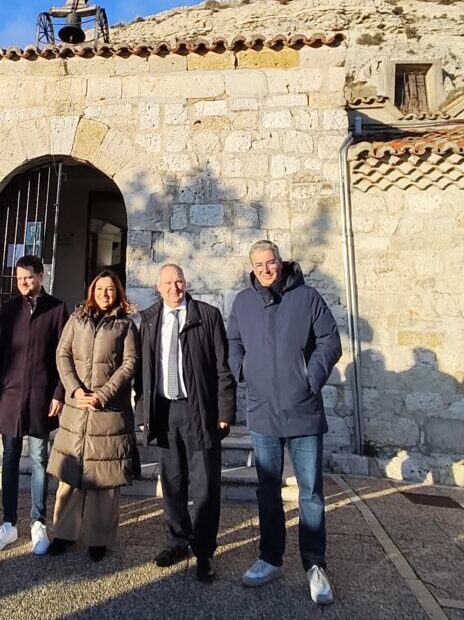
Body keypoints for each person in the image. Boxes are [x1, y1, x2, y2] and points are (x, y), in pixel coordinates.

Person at [227, 240, 342, 604]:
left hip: (303, 410)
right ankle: (270, 557)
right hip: (263, 413)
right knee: (268, 491)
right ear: (252, 268)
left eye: (271, 262)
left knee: (310, 492)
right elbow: (233, 342)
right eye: (259, 264)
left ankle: (315, 564)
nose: (265, 269)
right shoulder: (243, 302)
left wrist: (311, 377)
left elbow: (330, 340)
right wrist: (242, 369)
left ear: (281, 262)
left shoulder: (307, 298)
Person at [136, 263, 236, 582]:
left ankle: (204, 552)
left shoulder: (207, 315)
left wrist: (224, 412)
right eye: (167, 283)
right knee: (173, 483)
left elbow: (223, 367)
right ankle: (177, 541)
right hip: (165, 413)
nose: (174, 288)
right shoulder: (149, 319)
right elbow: (143, 373)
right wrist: (143, 412)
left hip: (199, 412)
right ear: (158, 287)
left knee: (205, 485)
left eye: (178, 282)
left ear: (185, 282)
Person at [46, 270, 140, 561]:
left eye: (110, 289)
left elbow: (130, 363)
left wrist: (103, 394)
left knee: (106, 479)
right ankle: (63, 533)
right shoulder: (77, 319)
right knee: (70, 476)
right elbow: (62, 355)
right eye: (100, 288)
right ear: (92, 290)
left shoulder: (125, 324)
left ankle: (99, 539)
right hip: (77, 410)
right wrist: (74, 391)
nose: (105, 294)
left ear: (118, 293)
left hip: (108, 411)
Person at [0, 255, 69, 554]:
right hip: (10, 395)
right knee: (9, 458)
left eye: (28, 278)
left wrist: (59, 392)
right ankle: (8, 523)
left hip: (41, 397)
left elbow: (62, 355)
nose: (23, 283)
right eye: (19, 278)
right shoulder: (7, 310)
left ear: (41, 276)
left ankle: (37, 522)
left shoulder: (57, 309)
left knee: (39, 460)